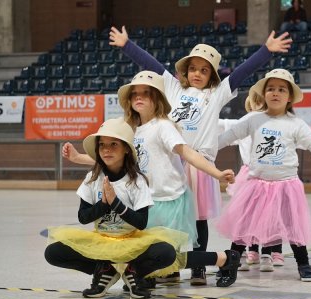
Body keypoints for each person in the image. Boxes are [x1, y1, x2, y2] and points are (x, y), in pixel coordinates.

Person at [109, 25, 293, 285]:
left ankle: (199, 267)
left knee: (197, 217)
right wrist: (127, 44)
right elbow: (151, 64)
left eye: (204, 70)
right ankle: (169, 266)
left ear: (212, 75)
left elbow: (242, 72)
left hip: (199, 164)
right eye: (193, 68)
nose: (197, 73)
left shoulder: (216, 93)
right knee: (166, 218)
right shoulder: (173, 88)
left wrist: (266, 51)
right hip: (170, 162)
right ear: (185, 71)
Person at [62, 70, 236, 284]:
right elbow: (115, 159)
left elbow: (188, 153)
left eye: (146, 93)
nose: (139, 97)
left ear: (158, 99)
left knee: (168, 255)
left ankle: (224, 259)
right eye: (135, 93)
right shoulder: (130, 129)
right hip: (144, 201)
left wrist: (217, 173)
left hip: (168, 200)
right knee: (148, 252)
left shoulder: (163, 126)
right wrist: (79, 158)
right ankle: (165, 271)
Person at [46, 118, 241, 299]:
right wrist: (103, 204)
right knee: (54, 252)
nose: (107, 150)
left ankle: (135, 272)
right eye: (102, 145)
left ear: (126, 150)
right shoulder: (92, 179)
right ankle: (105, 269)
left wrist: (116, 203)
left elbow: (141, 222)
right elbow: (83, 217)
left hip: (132, 239)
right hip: (103, 240)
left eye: (114, 144)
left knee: (168, 254)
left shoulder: (136, 181)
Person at [216, 69, 311, 281]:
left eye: (281, 89)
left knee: (293, 226)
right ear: (264, 94)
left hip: (286, 185)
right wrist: (203, 152)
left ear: (290, 96)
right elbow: (227, 137)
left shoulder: (296, 124)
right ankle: (231, 264)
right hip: (256, 185)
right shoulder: (253, 119)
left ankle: (304, 264)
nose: (276, 93)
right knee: (243, 226)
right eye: (271, 89)